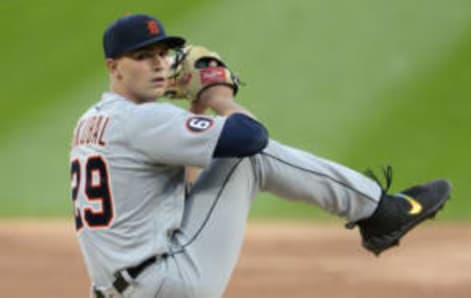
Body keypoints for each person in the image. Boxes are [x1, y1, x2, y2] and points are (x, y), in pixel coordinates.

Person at [69, 13, 451, 298]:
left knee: (231, 154)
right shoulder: (146, 120)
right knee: (248, 158)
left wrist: (197, 114)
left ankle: (376, 210)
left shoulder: (92, 121)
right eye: (142, 56)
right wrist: (219, 98)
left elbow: (170, 192)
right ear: (113, 67)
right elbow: (251, 138)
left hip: (121, 288)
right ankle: (379, 212)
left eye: (163, 54)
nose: (158, 64)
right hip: (168, 283)